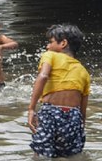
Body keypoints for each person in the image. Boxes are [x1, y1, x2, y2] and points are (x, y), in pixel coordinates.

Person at [27, 24, 91, 158]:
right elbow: (82, 108)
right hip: (74, 117)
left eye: (50, 42)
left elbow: (43, 76)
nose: (47, 46)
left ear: (63, 43)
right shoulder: (84, 71)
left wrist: (31, 108)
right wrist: (79, 127)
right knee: (70, 155)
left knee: (41, 154)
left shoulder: (50, 55)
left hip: (51, 112)